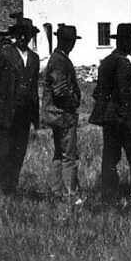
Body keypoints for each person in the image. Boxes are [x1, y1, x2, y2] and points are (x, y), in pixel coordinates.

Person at [89, 23, 131, 207]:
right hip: (124, 120)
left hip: (109, 120)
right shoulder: (123, 63)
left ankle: (108, 197)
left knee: (110, 160)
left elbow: (97, 92)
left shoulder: (106, 61)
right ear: (123, 42)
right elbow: (125, 96)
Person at [0, 16, 40, 195]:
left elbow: (33, 86)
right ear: (15, 36)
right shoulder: (5, 54)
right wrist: (3, 96)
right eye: (20, 34)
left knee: (19, 152)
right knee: (4, 152)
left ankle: (11, 188)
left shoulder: (34, 58)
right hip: (7, 113)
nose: (23, 38)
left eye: (27, 34)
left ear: (31, 36)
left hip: (25, 114)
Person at [40, 25, 83, 202]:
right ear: (66, 42)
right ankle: (70, 196)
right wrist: (73, 104)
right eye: (71, 42)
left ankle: (57, 193)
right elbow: (60, 91)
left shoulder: (58, 58)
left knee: (60, 154)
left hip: (57, 115)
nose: (72, 45)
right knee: (69, 156)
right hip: (63, 115)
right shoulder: (59, 61)